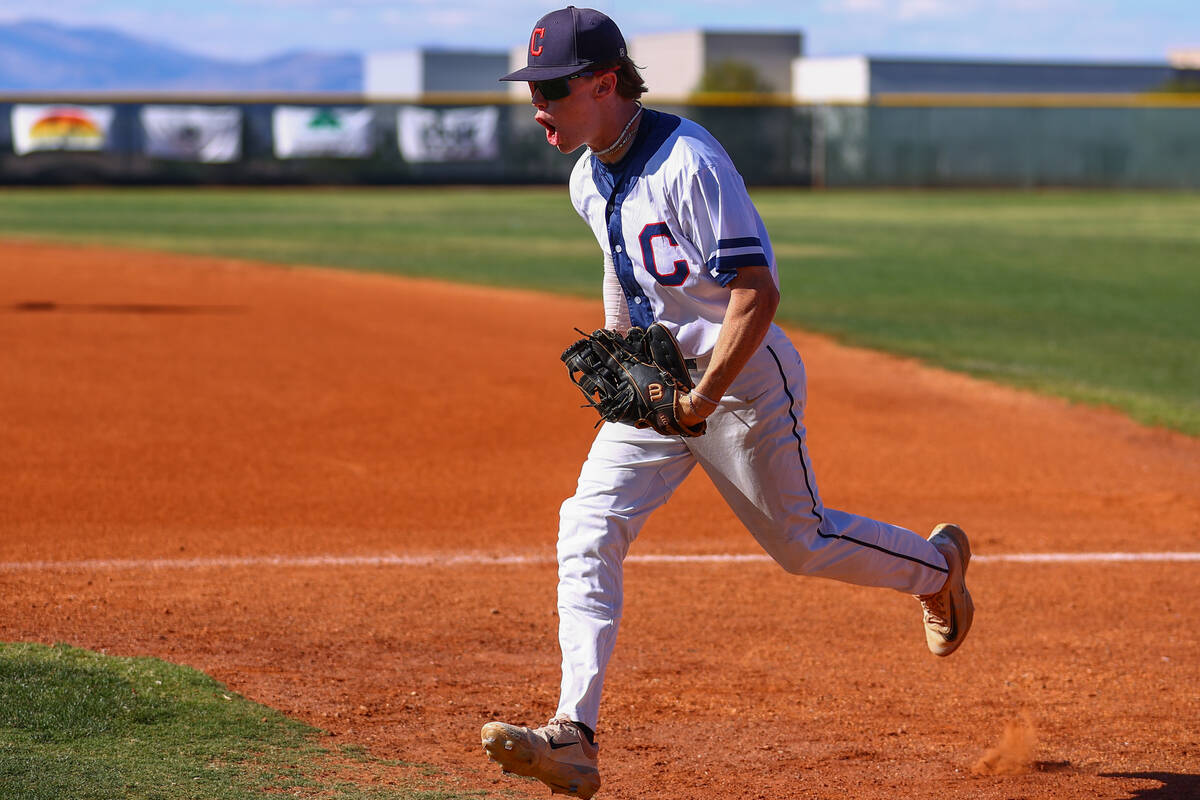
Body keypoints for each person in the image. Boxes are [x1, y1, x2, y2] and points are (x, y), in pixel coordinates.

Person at [480, 7, 975, 798]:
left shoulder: (689, 162)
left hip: (739, 379)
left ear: (605, 84)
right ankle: (573, 734)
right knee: (587, 523)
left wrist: (701, 398)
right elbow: (625, 268)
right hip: (666, 387)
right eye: (532, 87)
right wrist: (621, 348)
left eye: (553, 87)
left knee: (800, 544)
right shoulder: (586, 174)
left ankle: (938, 569)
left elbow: (756, 291)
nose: (538, 103)